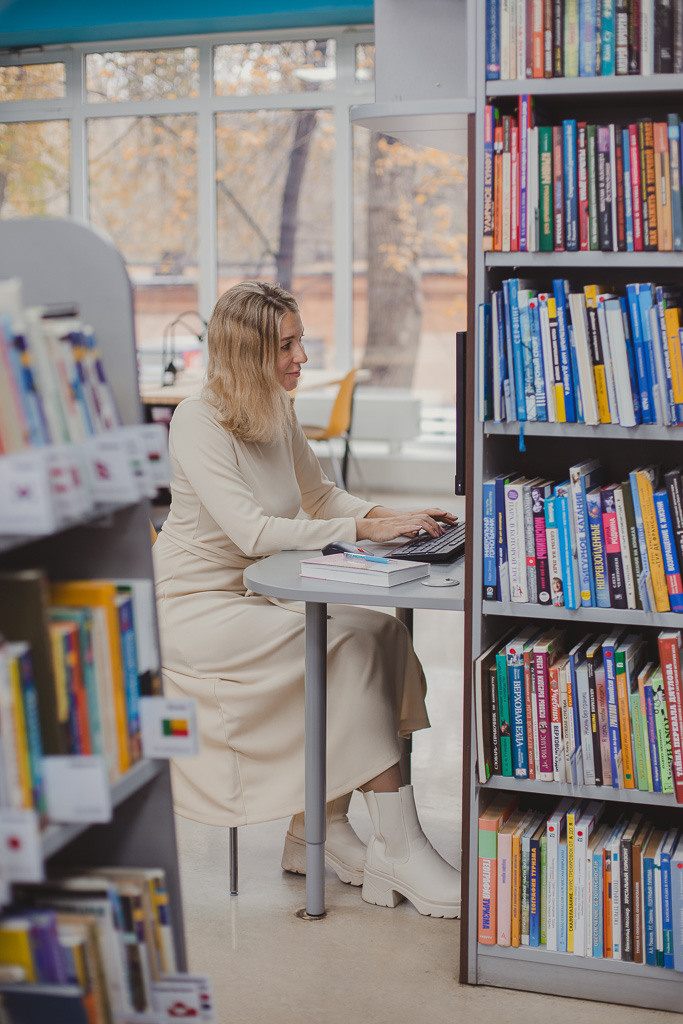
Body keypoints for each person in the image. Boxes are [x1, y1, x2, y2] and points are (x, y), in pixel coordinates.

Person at [153, 280, 461, 918]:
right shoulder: (196, 420)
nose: (302, 357)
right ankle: (399, 849)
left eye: (301, 341)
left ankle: (315, 829)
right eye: (286, 346)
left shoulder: (275, 406)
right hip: (195, 604)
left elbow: (319, 497)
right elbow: (252, 532)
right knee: (347, 647)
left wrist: (396, 517)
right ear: (247, 353)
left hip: (258, 590)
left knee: (384, 633)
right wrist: (365, 531)